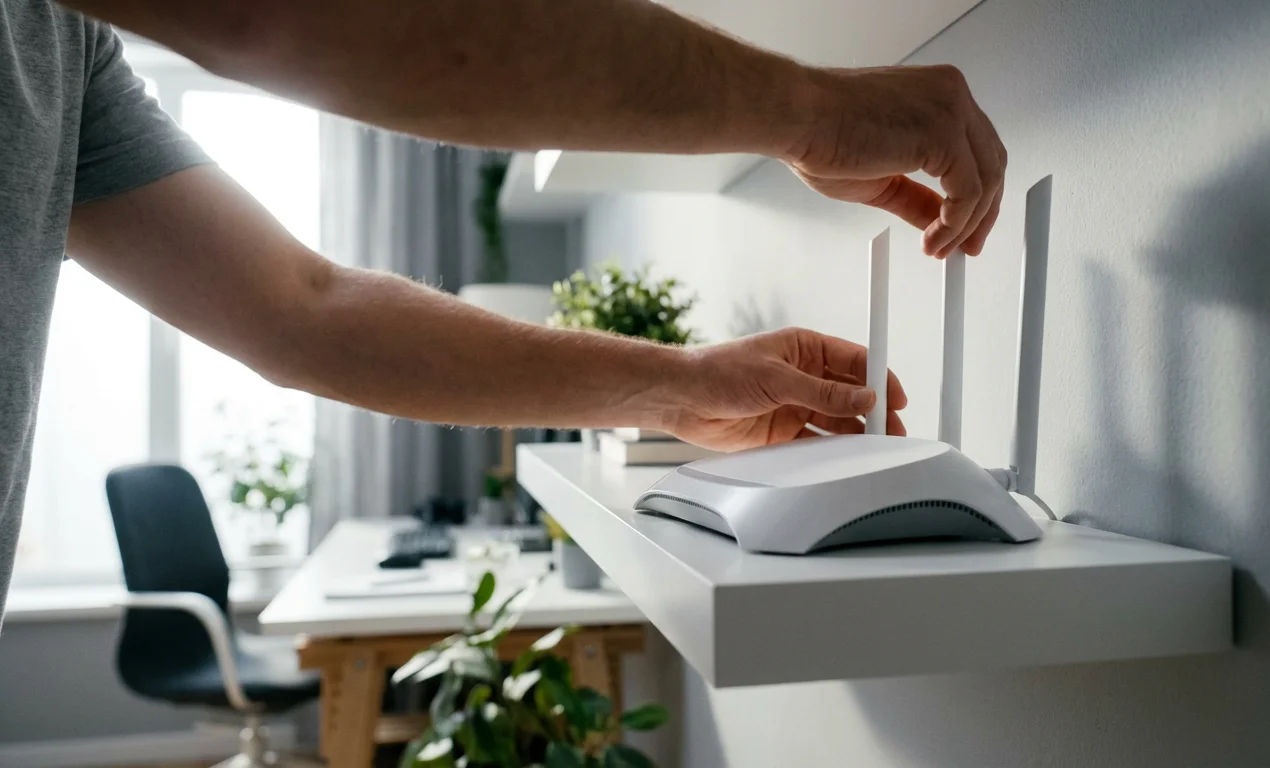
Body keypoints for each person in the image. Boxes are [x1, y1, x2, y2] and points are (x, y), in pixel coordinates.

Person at [0, 0, 1007, 621]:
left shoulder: (64, 45)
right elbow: (289, 18)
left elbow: (306, 311)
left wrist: (684, 386)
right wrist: (812, 111)